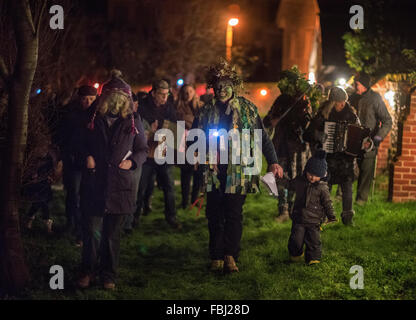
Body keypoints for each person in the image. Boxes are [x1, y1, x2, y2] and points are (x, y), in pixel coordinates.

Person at [192, 59, 283, 273]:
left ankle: (230, 255)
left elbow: (262, 137)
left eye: (225, 86)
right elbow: (193, 138)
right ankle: (216, 255)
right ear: (213, 88)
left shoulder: (248, 109)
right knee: (214, 213)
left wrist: (273, 161)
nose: (222, 90)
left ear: (233, 86)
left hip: (239, 171)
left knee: (233, 213)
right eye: (218, 86)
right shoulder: (205, 111)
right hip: (213, 170)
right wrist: (199, 150)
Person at [77, 70, 148, 290]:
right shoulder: (91, 118)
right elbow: (77, 144)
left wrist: (132, 162)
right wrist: (86, 156)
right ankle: (87, 271)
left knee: (111, 235)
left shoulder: (133, 122)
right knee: (91, 232)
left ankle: (108, 275)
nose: (116, 103)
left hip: (119, 186)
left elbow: (142, 149)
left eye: (121, 99)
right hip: (94, 183)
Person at [263, 67, 313, 223]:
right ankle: (283, 209)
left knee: (296, 179)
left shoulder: (303, 100)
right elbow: (267, 120)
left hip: (297, 147)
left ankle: (293, 209)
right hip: (281, 145)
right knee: (281, 178)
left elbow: (306, 124)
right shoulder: (281, 100)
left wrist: (295, 121)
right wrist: (272, 121)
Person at [306, 87, 362, 225]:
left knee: (347, 187)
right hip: (327, 158)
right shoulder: (322, 115)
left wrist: (362, 143)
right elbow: (308, 133)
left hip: (345, 159)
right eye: (339, 102)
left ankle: (348, 219)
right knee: (325, 188)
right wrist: (318, 135)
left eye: (344, 101)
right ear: (332, 102)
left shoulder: (351, 115)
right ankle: (321, 216)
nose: (342, 104)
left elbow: (359, 134)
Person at [135, 79, 181, 229]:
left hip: (163, 153)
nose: (164, 98)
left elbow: (175, 130)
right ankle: (134, 218)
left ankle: (171, 217)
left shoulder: (169, 108)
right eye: (161, 94)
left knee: (169, 187)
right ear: (153, 93)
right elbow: (139, 130)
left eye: (166, 94)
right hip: (146, 154)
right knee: (140, 187)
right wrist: (151, 133)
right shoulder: (142, 107)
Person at [59, 85, 97, 245]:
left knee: (85, 196)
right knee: (72, 194)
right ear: (79, 98)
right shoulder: (70, 113)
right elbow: (65, 138)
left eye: (91, 99)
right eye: (84, 99)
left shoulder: (97, 115)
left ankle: (81, 230)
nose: (87, 102)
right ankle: (72, 223)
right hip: (73, 160)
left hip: (89, 162)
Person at [287, 150, 337, 265]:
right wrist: (280, 181)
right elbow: (289, 184)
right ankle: (296, 253)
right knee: (296, 239)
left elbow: (327, 203)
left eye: (316, 176)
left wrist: (331, 216)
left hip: (314, 221)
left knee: (314, 241)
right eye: (310, 174)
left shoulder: (323, 188)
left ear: (322, 175)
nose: (312, 177)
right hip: (299, 218)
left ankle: (313, 259)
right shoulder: (300, 181)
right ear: (306, 171)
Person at [353, 73, 392, 204]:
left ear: (364, 85)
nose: (354, 86)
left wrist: (378, 137)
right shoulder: (353, 97)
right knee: (347, 170)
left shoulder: (375, 99)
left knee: (366, 172)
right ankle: (341, 197)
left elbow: (387, 121)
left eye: (356, 83)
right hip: (352, 141)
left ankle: (361, 200)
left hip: (368, 142)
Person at [175, 84, 204, 209]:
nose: (188, 94)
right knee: (186, 173)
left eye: (190, 91)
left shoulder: (201, 107)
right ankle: (185, 200)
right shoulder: (177, 107)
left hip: (199, 141)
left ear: (194, 92)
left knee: (198, 173)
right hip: (184, 142)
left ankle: (195, 199)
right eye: (185, 92)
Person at [22, 141, 59, 234]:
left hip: (44, 183)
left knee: (40, 201)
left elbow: (52, 169)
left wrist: (50, 176)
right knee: (41, 201)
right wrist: (34, 175)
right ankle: (47, 222)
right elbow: (31, 169)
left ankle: (30, 218)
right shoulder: (33, 157)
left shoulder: (49, 157)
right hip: (36, 183)